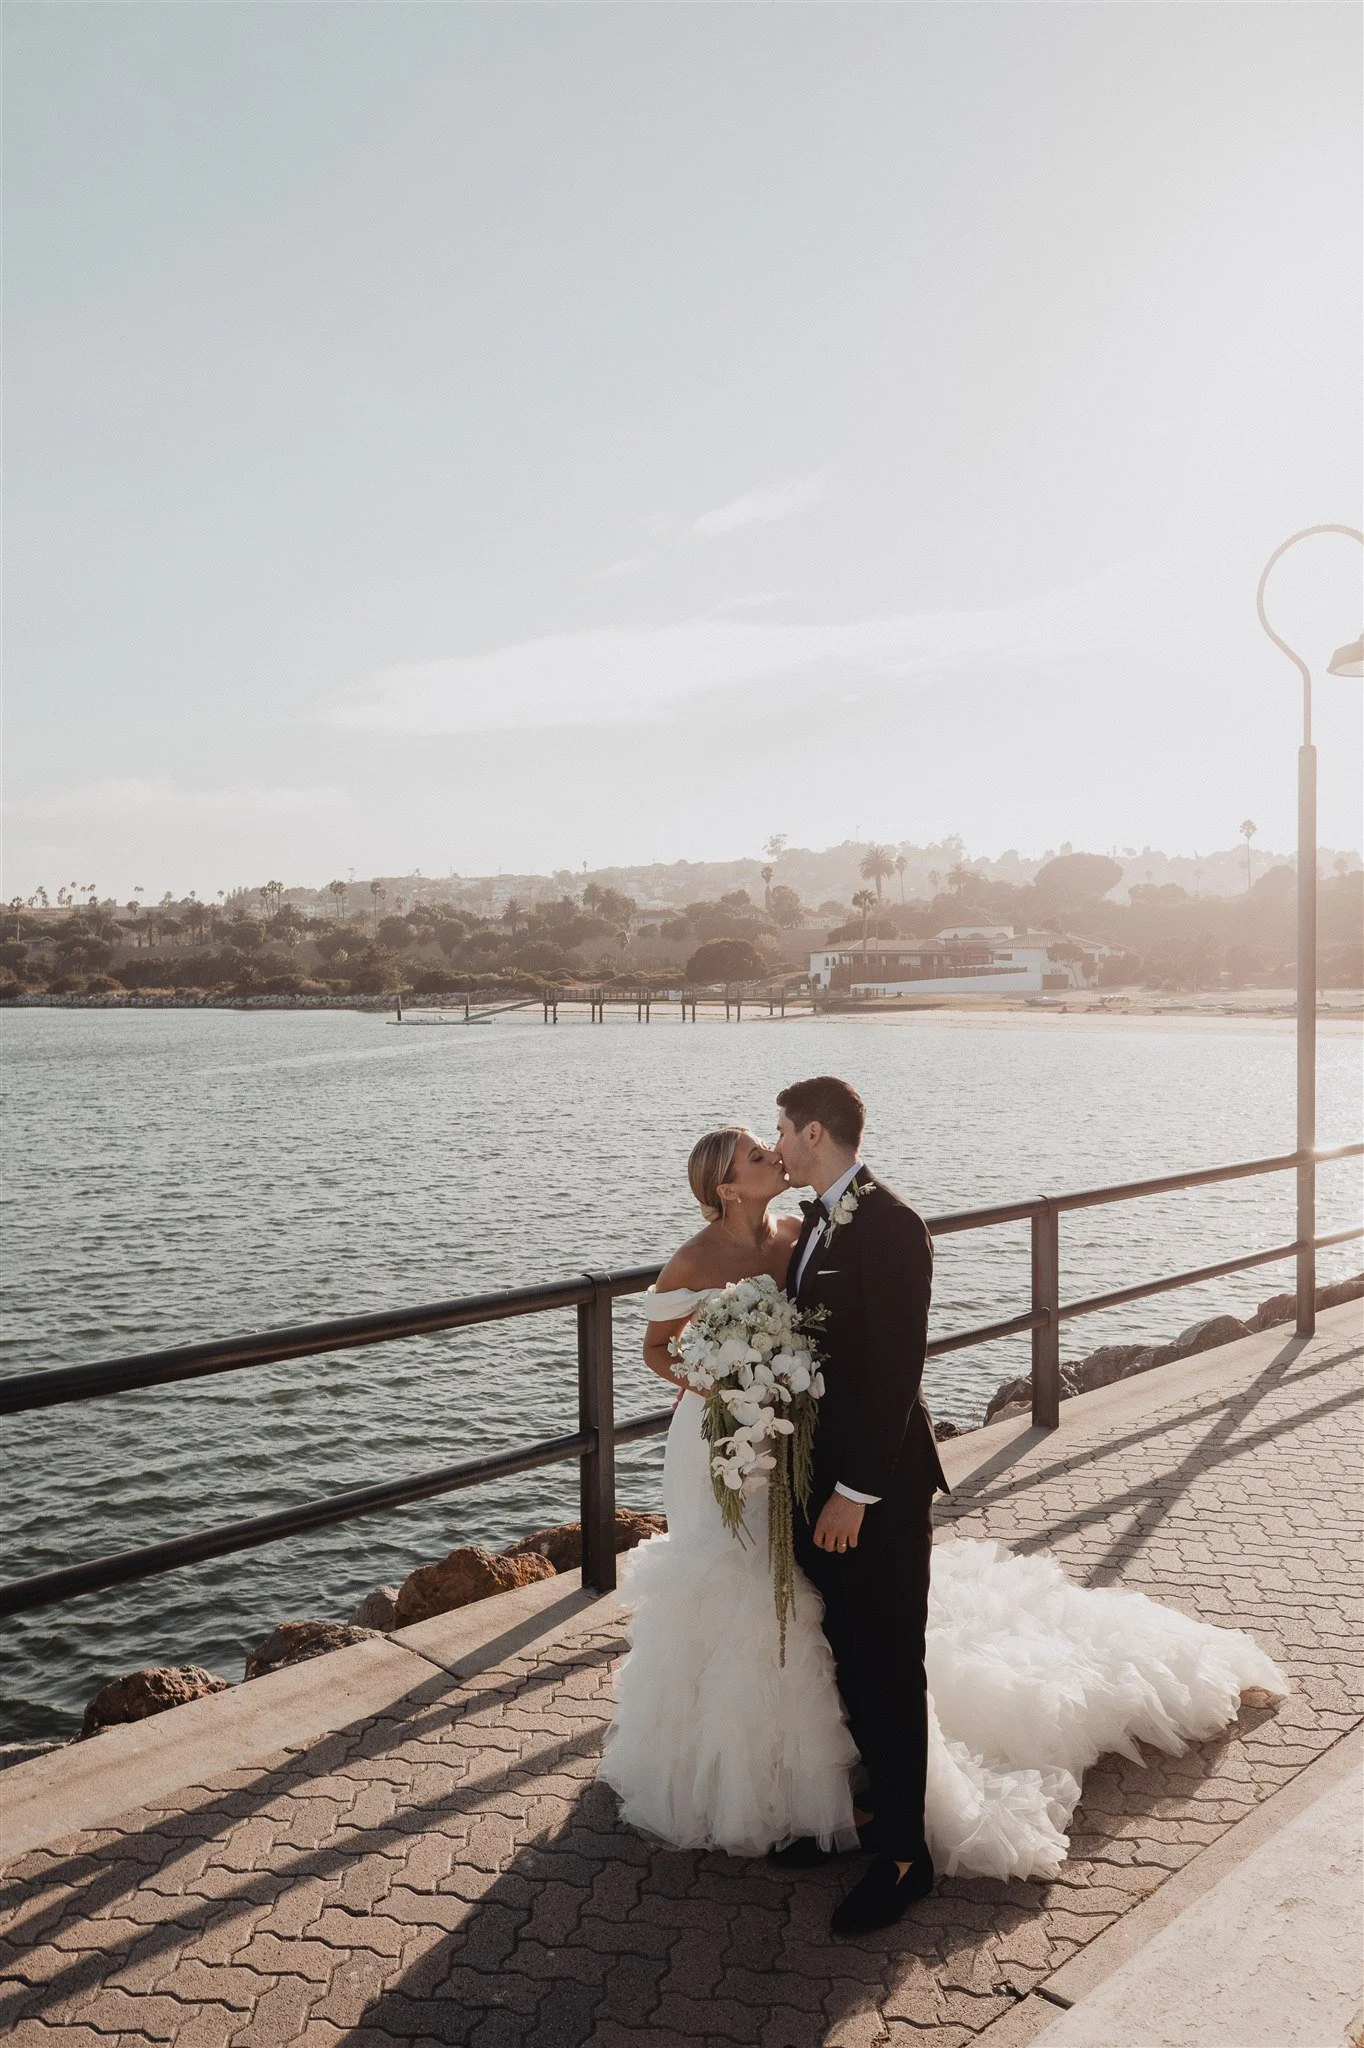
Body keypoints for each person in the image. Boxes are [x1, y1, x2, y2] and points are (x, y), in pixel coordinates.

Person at [598, 1093, 1287, 1937]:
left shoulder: (888, 1223)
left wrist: (854, 1493)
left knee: (886, 1662)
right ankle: (862, 1817)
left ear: (813, 1135)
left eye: (778, 1132)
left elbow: (895, 1370)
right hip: (804, 1470)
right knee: (846, 1653)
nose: (775, 1146)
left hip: (868, 1488)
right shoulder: (815, 1221)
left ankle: (904, 1860)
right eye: (763, 1142)